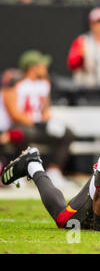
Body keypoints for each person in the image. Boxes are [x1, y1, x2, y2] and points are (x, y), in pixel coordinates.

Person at [3, 50, 75, 188]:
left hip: (38, 126)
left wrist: (47, 119)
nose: (45, 68)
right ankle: (18, 173)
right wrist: (35, 123)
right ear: (32, 67)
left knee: (67, 133)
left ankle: (54, 171)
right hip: (23, 125)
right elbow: (14, 114)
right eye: (42, 65)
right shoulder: (15, 84)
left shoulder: (44, 83)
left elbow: (44, 109)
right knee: (21, 134)